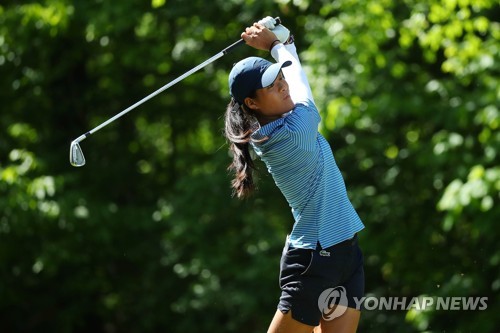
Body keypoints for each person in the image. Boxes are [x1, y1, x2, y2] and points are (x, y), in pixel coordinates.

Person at [224, 17, 365, 333]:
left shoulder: (278, 123)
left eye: (280, 79)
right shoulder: (290, 133)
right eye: (272, 86)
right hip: (314, 257)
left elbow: (292, 71)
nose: (282, 84)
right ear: (252, 103)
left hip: (345, 253)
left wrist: (284, 40)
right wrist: (275, 44)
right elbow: (300, 81)